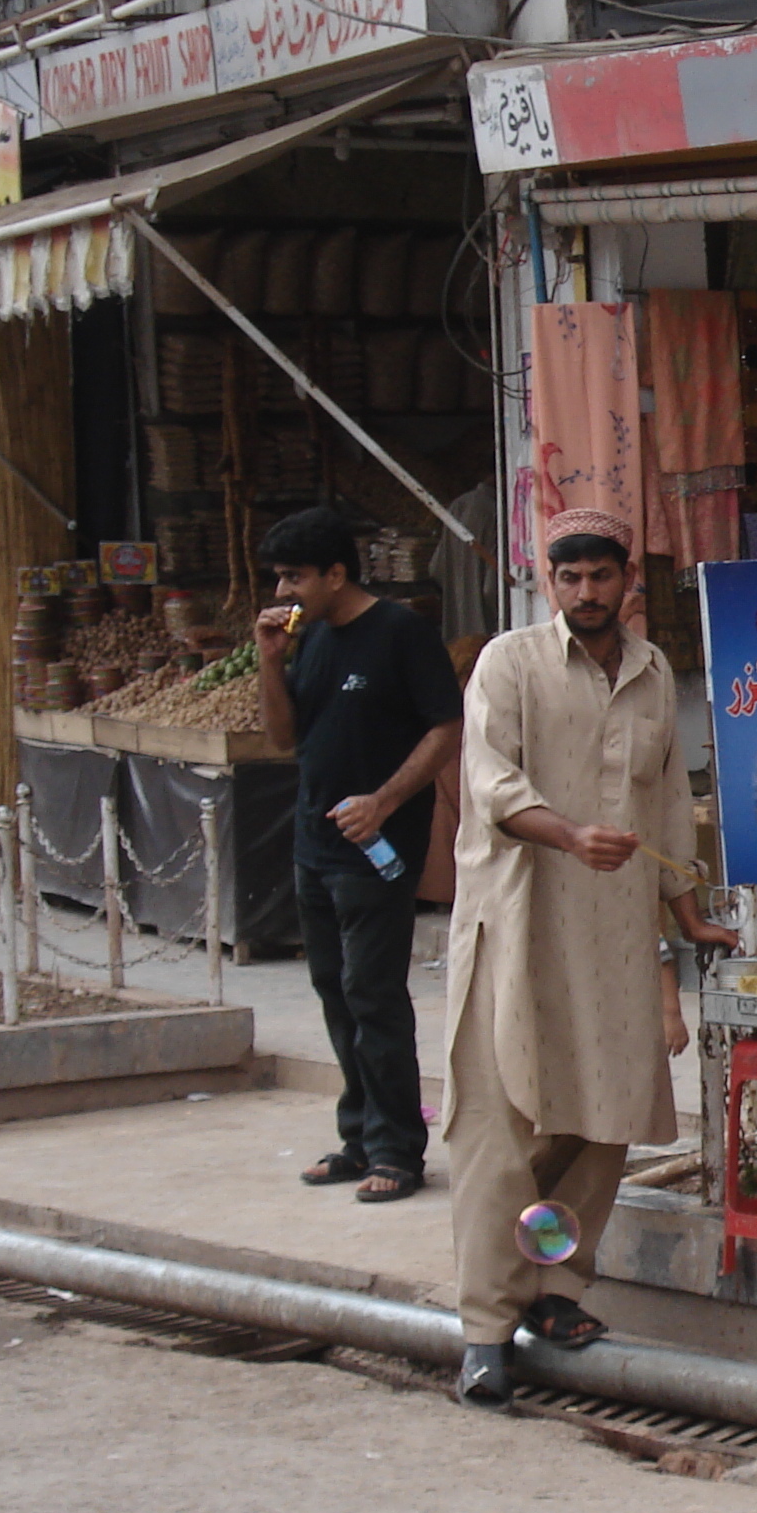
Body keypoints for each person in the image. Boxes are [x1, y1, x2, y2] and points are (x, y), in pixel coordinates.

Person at [445, 509, 736, 1410]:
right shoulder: (509, 662)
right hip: (521, 923)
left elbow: (663, 810)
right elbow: (490, 783)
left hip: (614, 933)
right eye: (568, 578)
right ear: (548, 582)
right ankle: (486, 1331)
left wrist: (690, 918)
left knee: (599, 1118)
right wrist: (569, 834)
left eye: (600, 576)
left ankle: (560, 1296)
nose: (585, 593)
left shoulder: (653, 676)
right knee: (504, 1130)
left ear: (626, 582)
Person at [254, 507, 464, 1207]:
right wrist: (269, 660)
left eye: (296, 576)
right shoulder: (306, 639)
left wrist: (383, 799)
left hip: (377, 850)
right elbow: (285, 738)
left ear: (337, 573)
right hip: (313, 845)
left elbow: (446, 727)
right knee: (334, 990)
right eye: (280, 577)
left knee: (374, 993)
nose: (285, 590)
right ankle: (357, 1136)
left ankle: (397, 1149)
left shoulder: (399, 632)